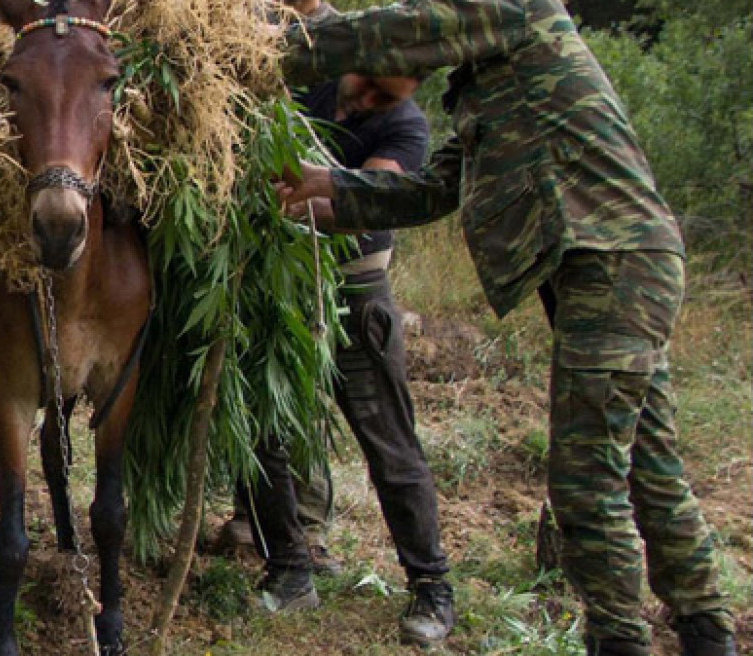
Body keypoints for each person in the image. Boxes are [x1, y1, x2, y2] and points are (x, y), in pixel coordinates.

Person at [273, 2, 736, 655]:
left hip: (613, 262)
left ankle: (619, 640)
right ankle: (707, 631)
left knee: (586, 479)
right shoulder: (493, 78)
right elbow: (433, 190)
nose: (377, 87)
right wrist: (330, 187)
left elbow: (395, 30)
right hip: (617, 263)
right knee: (648, 468)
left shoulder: (514, 9)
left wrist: (263, 46)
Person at [230, 0, 458, 645]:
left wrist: (301, 201)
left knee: (387, 439)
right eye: (367, 85)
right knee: (265, 432)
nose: (364, 103)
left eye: (383, 98)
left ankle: (431, 587)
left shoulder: (407, 129)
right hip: (277, 292)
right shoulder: (313, 74)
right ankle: (289, 572)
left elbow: (363, 203)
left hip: (356, 297)